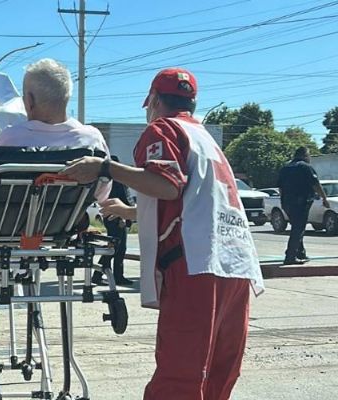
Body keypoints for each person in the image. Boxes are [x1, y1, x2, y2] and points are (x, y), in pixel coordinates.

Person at [60, 68, 264, 400]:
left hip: (196, 263)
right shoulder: (203, 138)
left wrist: (105, 167)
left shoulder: (163, 128)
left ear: (154, 100)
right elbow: (191, 199)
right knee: (217, 375)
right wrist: (130, 212)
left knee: (179, 377)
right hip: (236, 262)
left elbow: (167, 185)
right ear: (193, 103)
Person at [0, 58, 111, 206]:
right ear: (66, 96)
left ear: (29, 100)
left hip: (5, 228)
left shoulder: (12, 138)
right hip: (65, 227)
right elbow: (101, 193)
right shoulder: (92, 140)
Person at [276, 146, 330, 265]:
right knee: (298, 229)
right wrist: (324, 199)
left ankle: (300, 253)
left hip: (287, 203)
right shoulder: (305, 167)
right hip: (301, 203)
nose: (309, 158)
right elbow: (316, 184)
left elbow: (280, 188)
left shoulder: (285, 167)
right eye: (309, 155)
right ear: (304, 155)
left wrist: (284, 201)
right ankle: (290, 256)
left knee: (296, 227)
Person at [91, 155, 134, 287]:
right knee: (116, 248)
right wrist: (124, 216)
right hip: (117, 216)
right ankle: (111, 276)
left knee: (116, 248)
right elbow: (120, 199)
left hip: (116, 215)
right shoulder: (116, 181)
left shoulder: (109, 181)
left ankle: (102, 275)